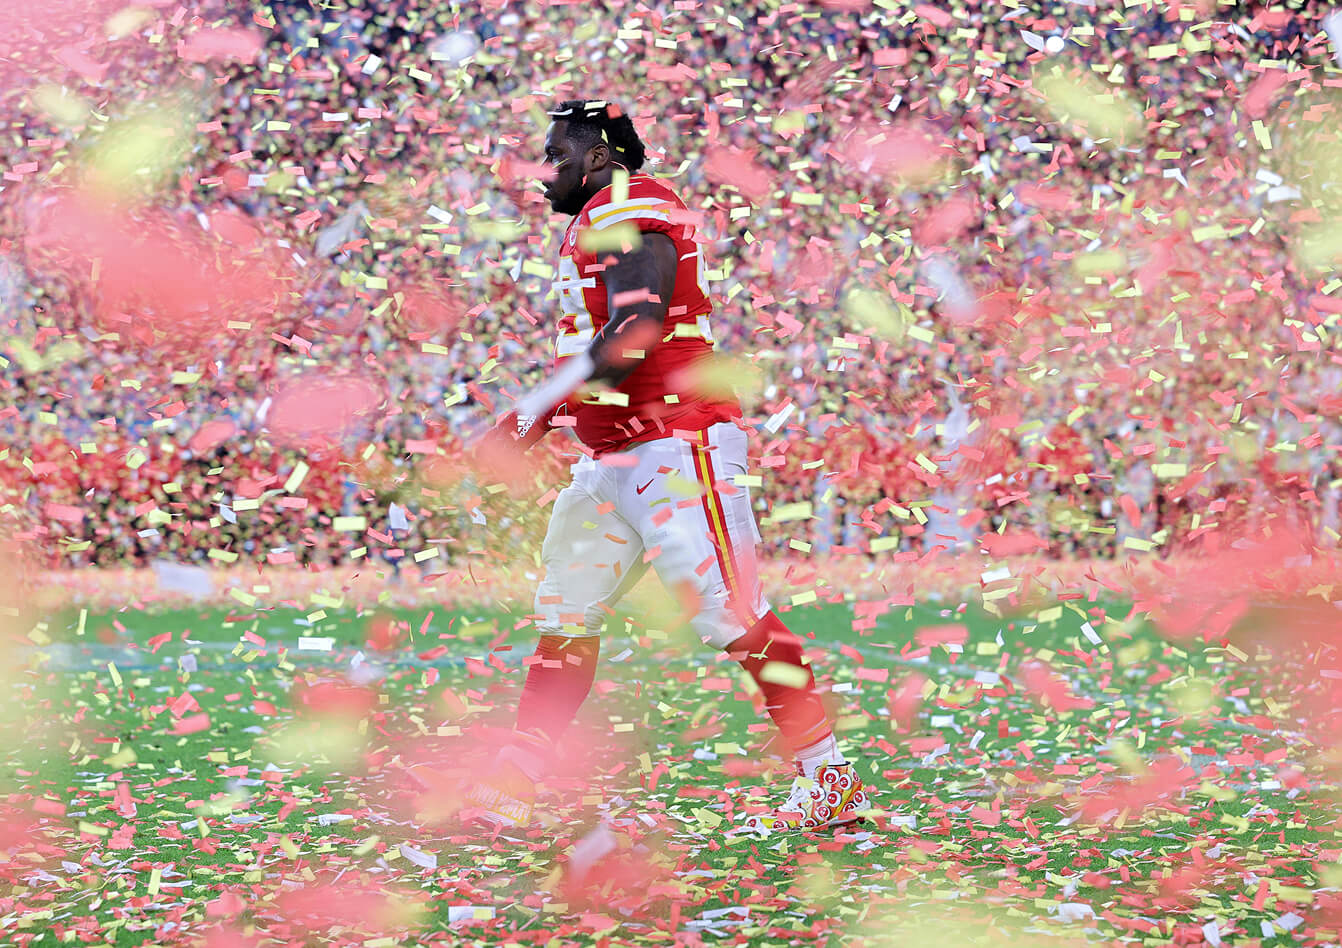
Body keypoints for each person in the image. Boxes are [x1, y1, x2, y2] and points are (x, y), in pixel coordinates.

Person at [463, 100, 870, 835]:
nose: (541, 171)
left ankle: (829, 774)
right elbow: (603, 347)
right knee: (566, 610)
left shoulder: (635, 203)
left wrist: (525, 417)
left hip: (678, 446)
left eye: (555, 155)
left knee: (731, 614)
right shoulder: (597, 219)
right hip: (613, 456)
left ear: (596, 159)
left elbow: (635, 330)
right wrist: (551, 414)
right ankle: (515, 777)